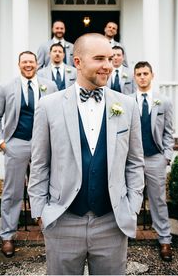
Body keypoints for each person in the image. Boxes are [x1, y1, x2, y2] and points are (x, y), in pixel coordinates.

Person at [28, 33, 145, 275]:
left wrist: (132, 206)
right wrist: (40, 212)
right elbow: (40, 163)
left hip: (111, 222)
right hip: (63, 220)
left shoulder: (127, 106)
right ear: (78, 62)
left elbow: (134, 162)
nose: (108, 66)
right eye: (100, 58)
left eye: (111, 59)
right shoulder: (48, 106)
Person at [0, 51, 57, 257]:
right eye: (24, 62)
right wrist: (2, 143)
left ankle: (49, 228)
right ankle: (7, 235)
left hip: (44, 144)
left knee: (47, 187)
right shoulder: (6, 88)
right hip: (16, 143)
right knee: (12, 191)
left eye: (31, 61)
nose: (28, 65)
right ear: (19, 64)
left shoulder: (50, 86)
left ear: (37, 64)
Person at [132, 61, 174, 262]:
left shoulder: (163, 101)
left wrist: (166, 156)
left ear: (152, 75)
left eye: (145, 73)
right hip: (132, 160)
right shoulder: (127, 101)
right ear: (134, 77)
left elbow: (168, 131)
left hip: (156, 158)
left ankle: (165, 239)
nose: (142, 77)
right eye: (138, 74)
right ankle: (126, 234)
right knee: (130, 198)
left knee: (158, 200)